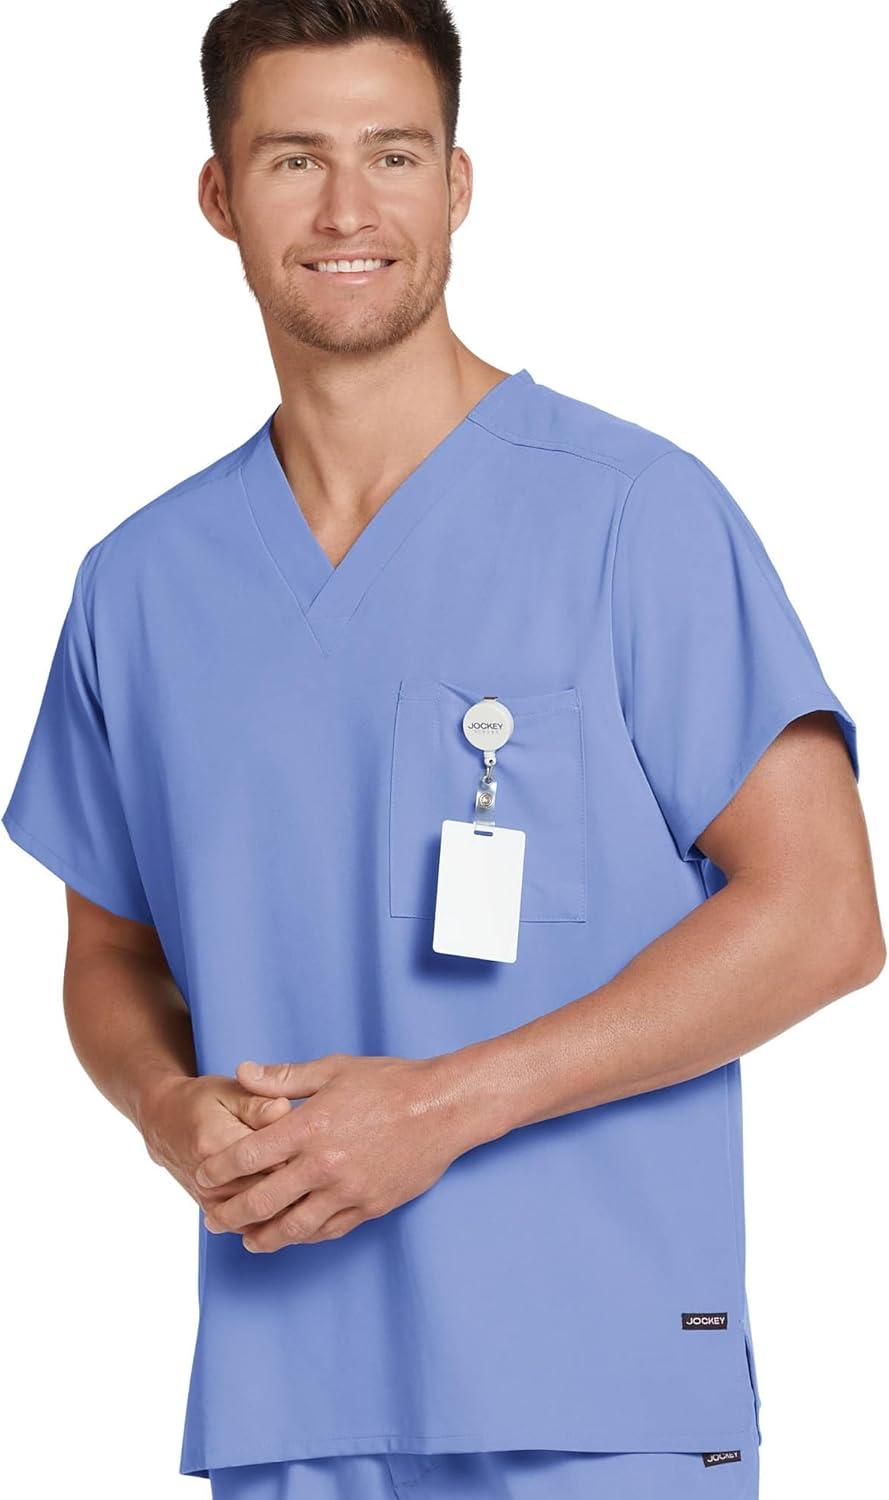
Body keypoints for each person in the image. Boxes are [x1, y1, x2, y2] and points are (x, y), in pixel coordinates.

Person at [3, 3, 883, 1497]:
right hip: (295, 1399)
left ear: (457, 185)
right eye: (294, 159)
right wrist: (166, 1109)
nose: (348, 210)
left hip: (600, 1396)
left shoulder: (634, 514)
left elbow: (823, 916)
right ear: (219, 195)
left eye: (393, 154)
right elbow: (111, 953)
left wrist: (438, 1109)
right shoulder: (140, 582)